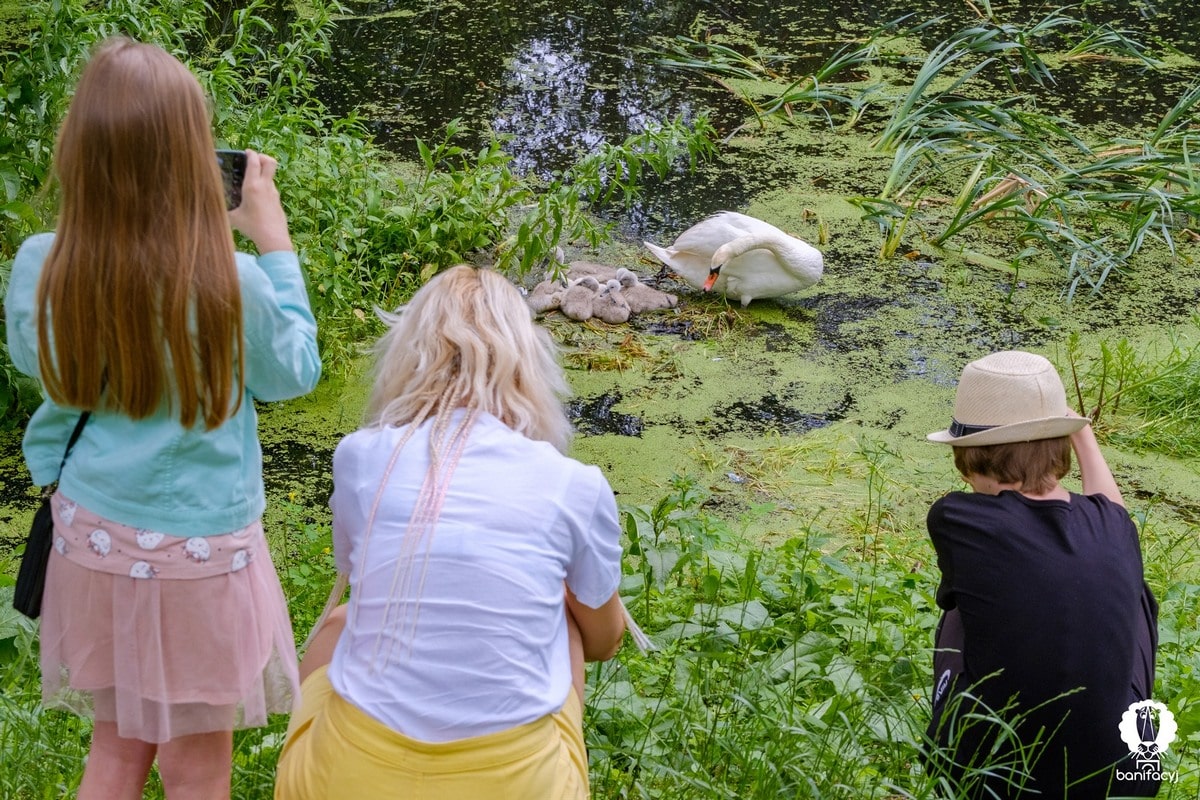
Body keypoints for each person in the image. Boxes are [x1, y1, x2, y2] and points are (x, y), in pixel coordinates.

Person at [4, 38, 321, 800]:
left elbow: (32, 362)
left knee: (114, 755)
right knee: (197, 770)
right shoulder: (231, 279)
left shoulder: (41, 263)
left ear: (78, 150)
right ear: (190, 158)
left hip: (93, 539)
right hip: (199, 560)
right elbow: (295, 372)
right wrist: (271, 240)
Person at [273, 265, 627, 800]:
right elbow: (605, 640)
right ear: (528, 362)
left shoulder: (361, 457)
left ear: (407, 354)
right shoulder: (574, 484)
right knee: (568, 625)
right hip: (515, 785)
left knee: (339, 623)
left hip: (352, 779)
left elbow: (357, 576)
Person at [924, 350, 1159, 799]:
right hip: (1126, 782)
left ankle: (952, 750)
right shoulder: (1112, 527)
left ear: (964, 452)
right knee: (1132, 589)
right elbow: (1115, 515)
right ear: (1061, 443)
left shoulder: (956, 518)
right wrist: (1082, 434)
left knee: (958, 613)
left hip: (992, 779)